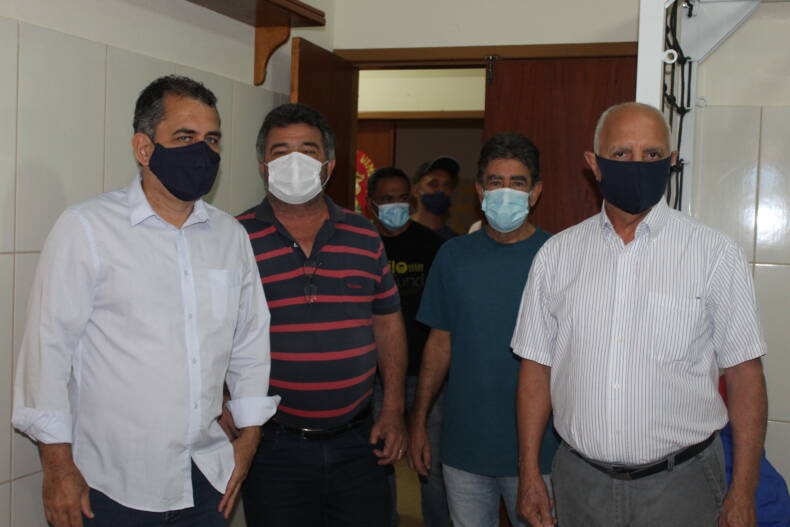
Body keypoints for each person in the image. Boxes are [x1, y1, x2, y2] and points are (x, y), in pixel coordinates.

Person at [11, 75, 278, 527]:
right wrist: (57, 468)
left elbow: (250, 341)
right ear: (144, 147)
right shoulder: (87, 228)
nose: (203, 152)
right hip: (110, 483)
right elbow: (48, 350)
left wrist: (249, 438)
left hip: (205, 478)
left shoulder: (229, 236)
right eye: (185, 137)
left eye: (212, 139)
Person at [512, 102, 768, 527]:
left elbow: (746, 376)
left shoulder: (714, 254)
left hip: (682, 486)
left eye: (652, 154)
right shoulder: (556, 256)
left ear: (671, 161)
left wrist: (743, 491)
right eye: (621, 153)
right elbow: (536, 369)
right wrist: (528, 472)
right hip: (580, 483)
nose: (637, 165)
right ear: (595, 164)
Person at [234, 103, 408, 526]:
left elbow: (387, 324)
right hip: (273, 446)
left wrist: (393, 409)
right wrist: (223, 404)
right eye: (280, 152)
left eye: (307, 151)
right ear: (263, 167)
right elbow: (214, 331)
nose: (294, 162)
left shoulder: (364, 235)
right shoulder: (235, 237)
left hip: (359, 442)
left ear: (328, 166)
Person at [409, 133, 559, 527]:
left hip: (540, 451)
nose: (505, 192)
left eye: (517, 182)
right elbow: (439, 344)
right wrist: (418, 421)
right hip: (465, 448)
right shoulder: (453, 256)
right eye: (496, 182)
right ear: (480, 191)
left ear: (535, 192)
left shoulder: (558, 256)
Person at [366, 166, 450, 527]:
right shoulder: (362, 245)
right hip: (375, 378)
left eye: (402, 198)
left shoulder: (433, 246)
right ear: (371, 204)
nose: (396, 205)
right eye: (387, 199)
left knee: (430, 465)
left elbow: (445, 317)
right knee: (378, 465)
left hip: (427, 377)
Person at [411, 156, 461, 239]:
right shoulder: (399, 233)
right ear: (415, 191)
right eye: (433, 184)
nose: (441, 190)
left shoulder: (453, 240)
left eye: (446, 185)